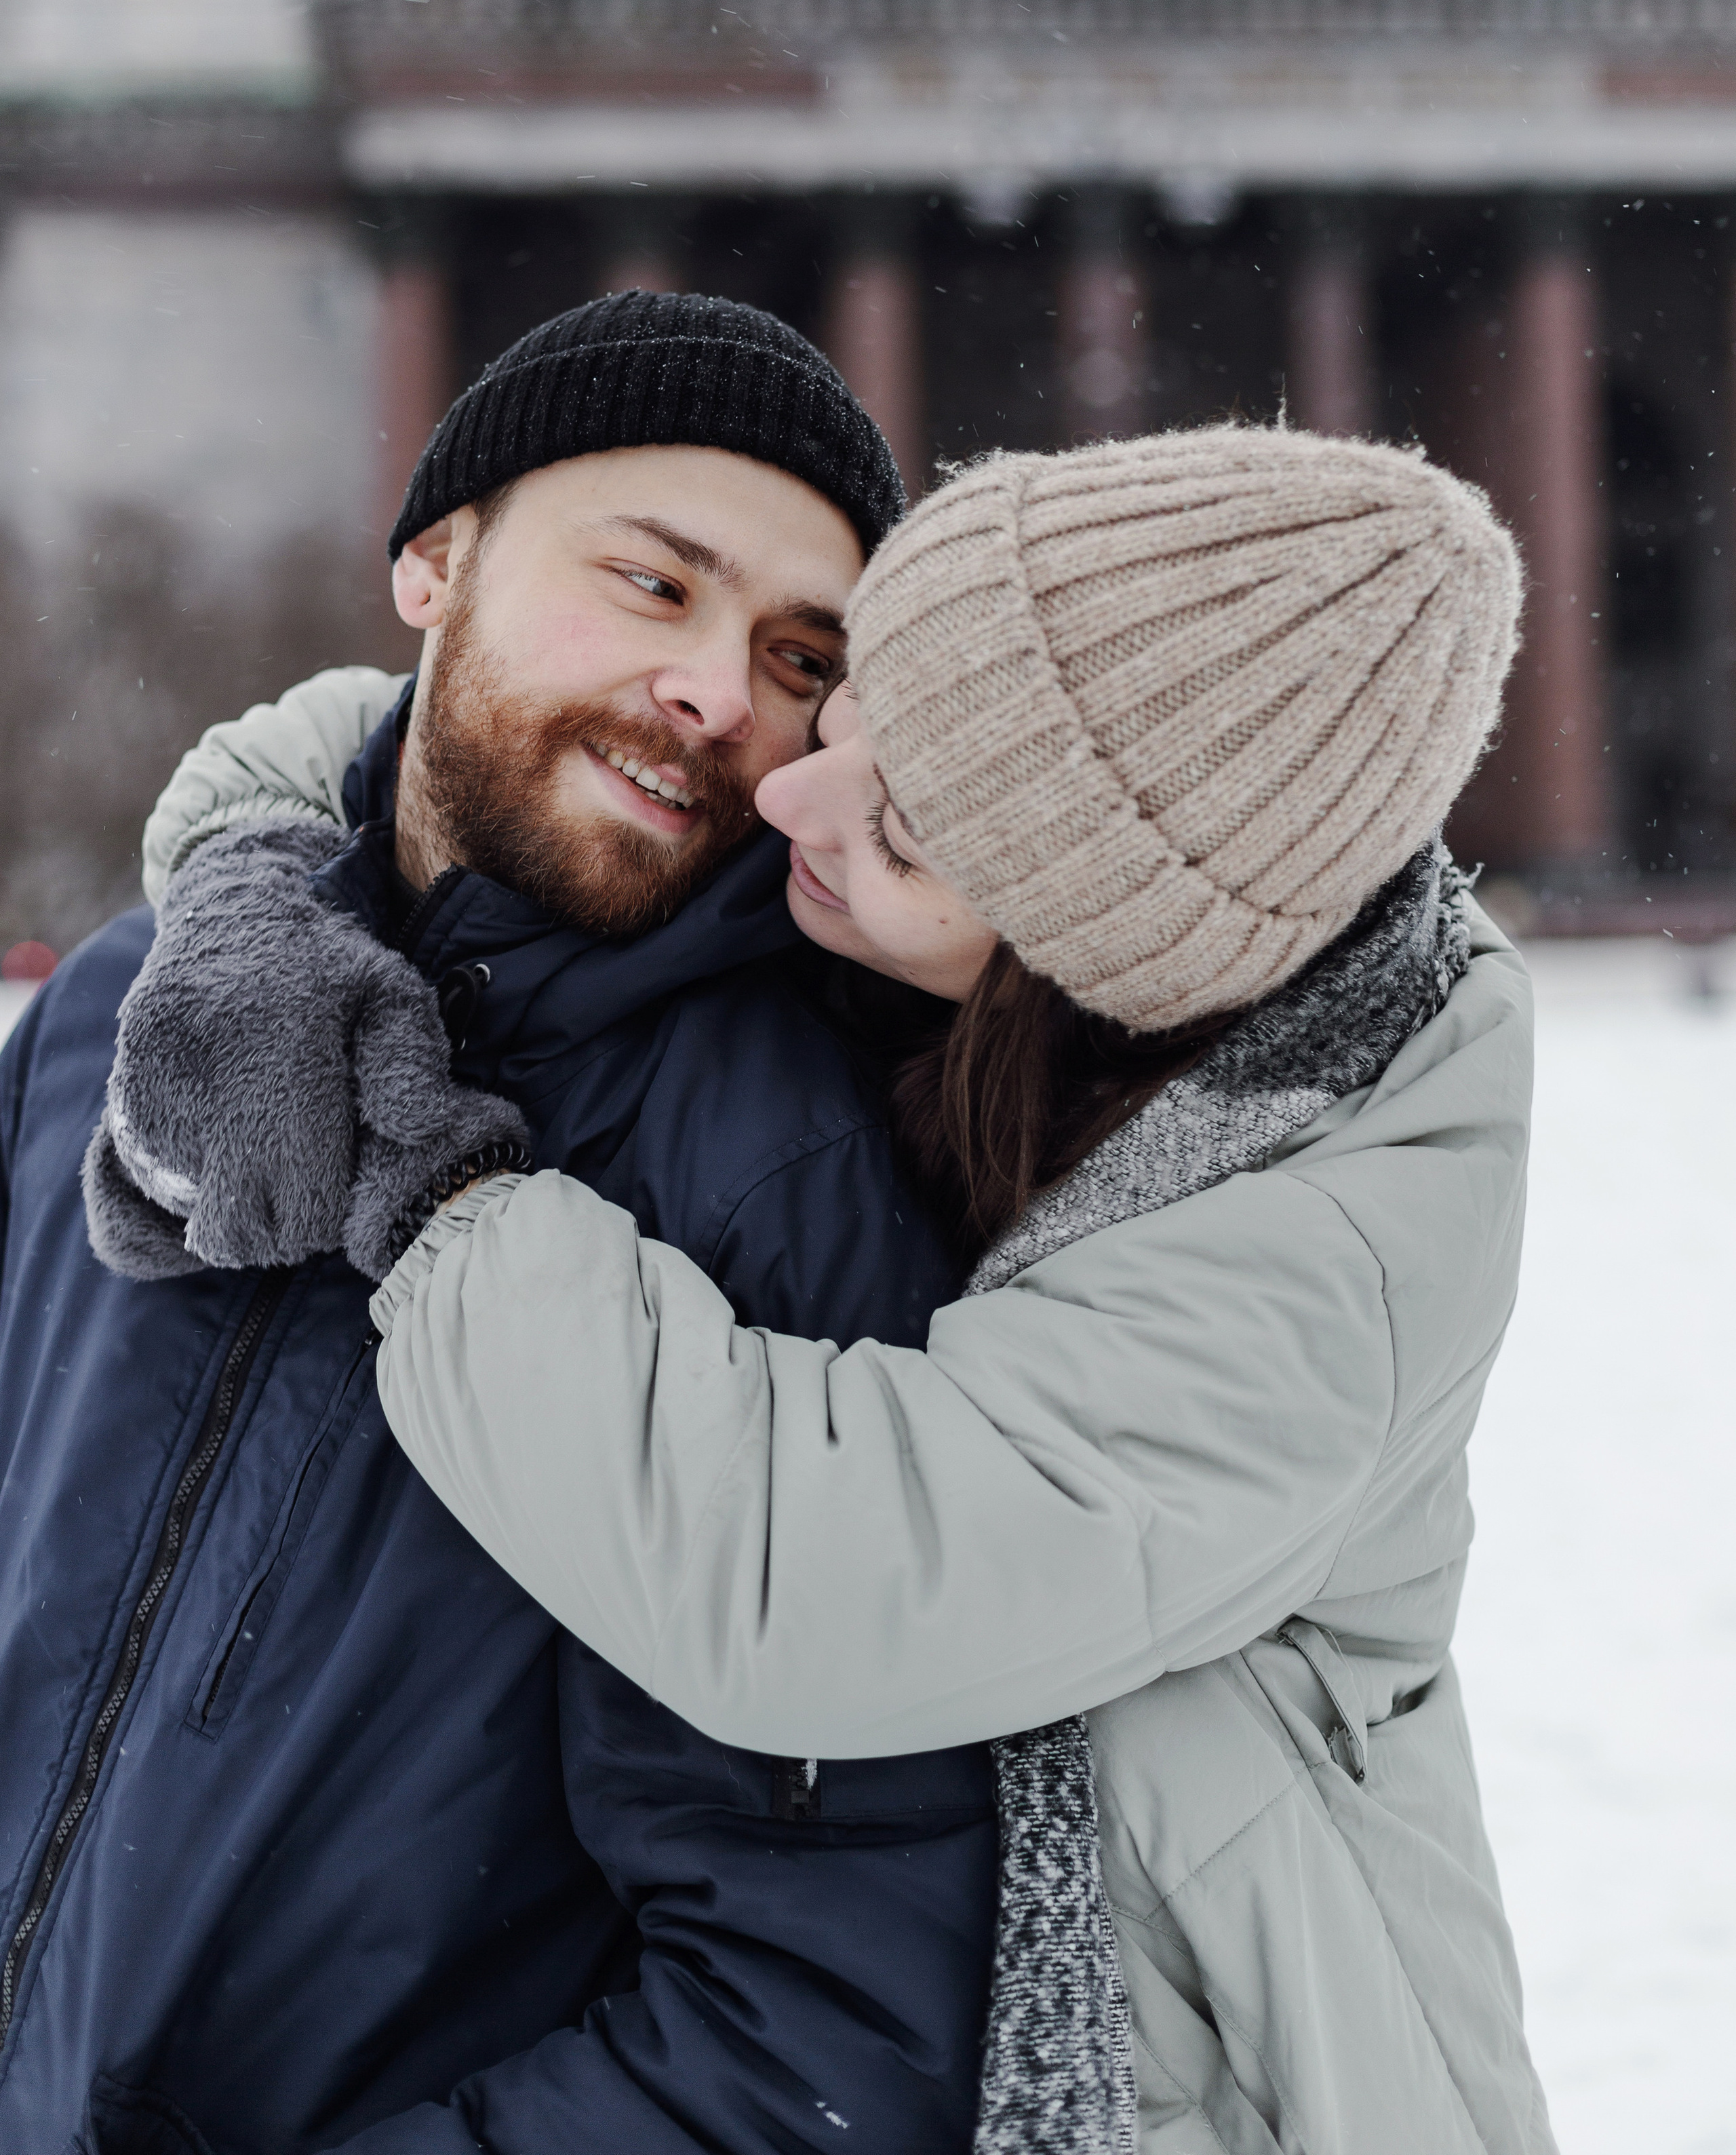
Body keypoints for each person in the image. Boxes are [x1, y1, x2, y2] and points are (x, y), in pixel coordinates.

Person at [128, 423, 1556, 2154]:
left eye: (900, 829)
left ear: (1070, 970)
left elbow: (799, 1577)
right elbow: (427, 733)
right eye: (851, 707)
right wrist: (260, 883)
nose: (790, 798)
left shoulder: (1319, 1274)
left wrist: (435, 1191)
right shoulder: (1014, 944)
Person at [0, 290, 1002, 2154]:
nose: (720, 692)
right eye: (653, 583)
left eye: (799, 657)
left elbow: (821, 2038)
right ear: (434, 562)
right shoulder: (112, 1019)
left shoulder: (787, 1197)